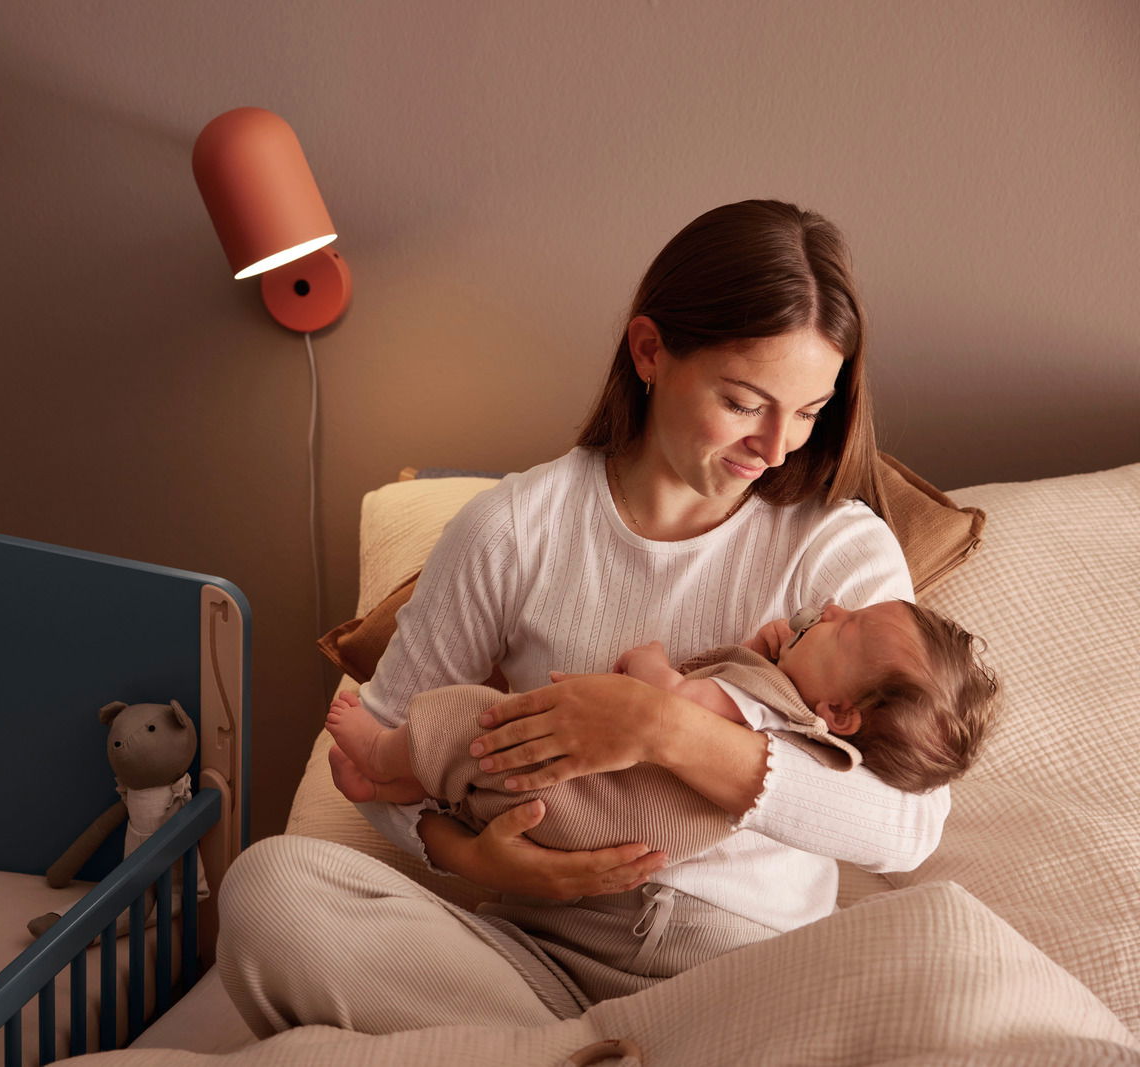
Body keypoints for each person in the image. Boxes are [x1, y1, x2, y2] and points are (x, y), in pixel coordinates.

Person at [217, 199, 956, 1036]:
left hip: (746, 980)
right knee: (270, 889)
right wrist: (472, 856)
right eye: (746, 402)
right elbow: (385, 749)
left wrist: (661, 728)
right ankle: (574, 1053)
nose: (778, 446)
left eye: (811, 410)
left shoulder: (839, 553)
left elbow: (909, 826)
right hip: (531, 963)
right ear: (650, 351)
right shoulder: (515, 527)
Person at [323, 600, 998, 864]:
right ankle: (397, 779)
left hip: (587, 801)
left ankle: (385, 751)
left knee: (478, 716)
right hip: (585, 833)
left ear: (842, 714)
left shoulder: (762, 703)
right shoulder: (799, 724)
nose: (829, 605)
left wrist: (649, 668)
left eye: (844, 627)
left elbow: (672, 696)